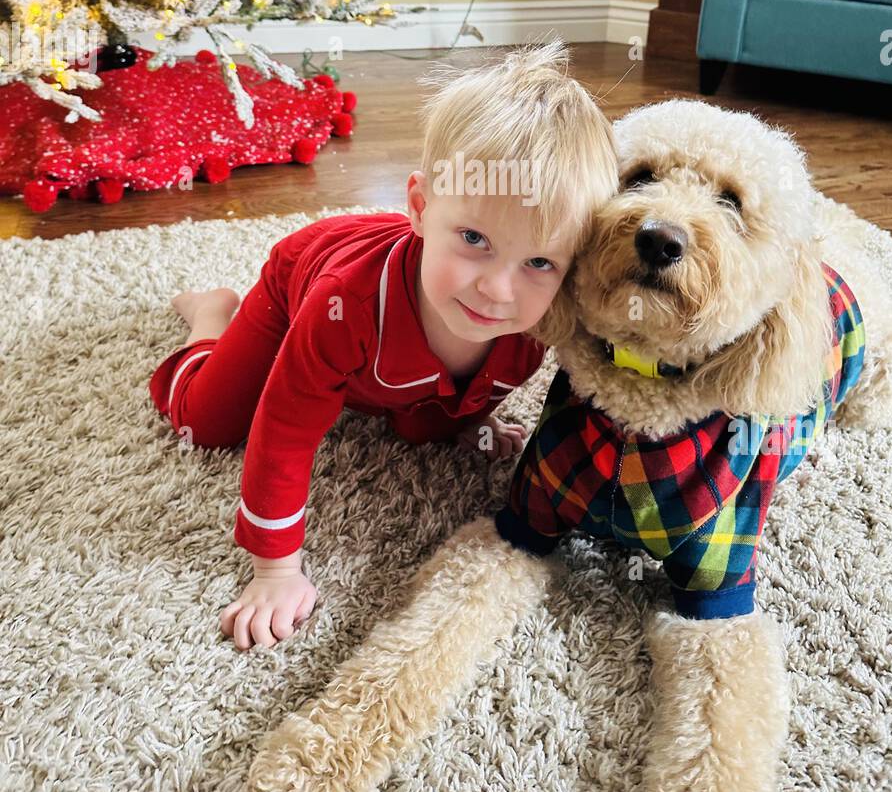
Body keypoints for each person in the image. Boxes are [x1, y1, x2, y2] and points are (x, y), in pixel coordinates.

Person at [147, 40, 618, 651]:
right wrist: (276, 571)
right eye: (473, 237)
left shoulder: (537, 320)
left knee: (426, 427)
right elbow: (285, 428)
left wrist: (473, 419)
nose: (497, 288)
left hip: (390, 360)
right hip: (300, 287)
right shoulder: (342, 306)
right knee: (207, 421)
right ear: (420, 207)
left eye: (538, 261)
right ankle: (211, 320)